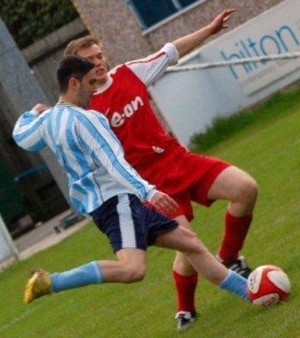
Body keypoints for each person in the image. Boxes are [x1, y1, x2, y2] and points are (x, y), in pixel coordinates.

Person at [13, 57, 249, 323]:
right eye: (91, 83)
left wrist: (34, 112)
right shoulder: (88, 119)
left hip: (111, 204)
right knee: (133, 270)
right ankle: (51, 281)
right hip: (117, 204)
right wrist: (149, 191)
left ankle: (252, 293)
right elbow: (114, 163)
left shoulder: (46, 122)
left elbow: (21, 135)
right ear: (74, 82)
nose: (95, 89)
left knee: (190, 243)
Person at [63, 8, 258, 330]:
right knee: (188, 244)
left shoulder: (129, 73)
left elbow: (170, 50)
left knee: (245, 189)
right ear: (76, 70)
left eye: (99, 55)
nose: (98, 62)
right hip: (148, 186)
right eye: (89, 59)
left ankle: (230, 258)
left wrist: (209, 30)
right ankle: (197, 306)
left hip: (178, 159)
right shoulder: (80, 110)